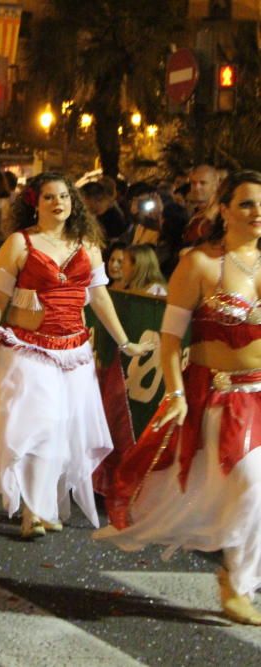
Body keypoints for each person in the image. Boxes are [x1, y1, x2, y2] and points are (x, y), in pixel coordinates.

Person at [95, 170, 261, 625]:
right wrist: (175, 392)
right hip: (223, 398)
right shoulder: (199, 264)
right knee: (251, 486)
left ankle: (241, 580)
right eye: (246, 203)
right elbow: (170, 339)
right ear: (223, 209)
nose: (257, 212)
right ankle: (238, 583)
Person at [0, 173, 153, 538]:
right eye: (49, 197)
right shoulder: (19, 244)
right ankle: (32, 511)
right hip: (25, 348)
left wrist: (126, 342)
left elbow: (100, 298)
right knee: (37, 426)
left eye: (64, 196)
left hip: (73, 352)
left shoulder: (88, 246)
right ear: (35, 203)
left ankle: (45, 504)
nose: (58, 202)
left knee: (60, 430)